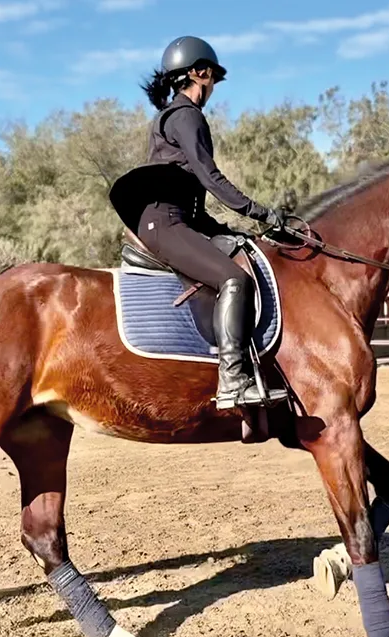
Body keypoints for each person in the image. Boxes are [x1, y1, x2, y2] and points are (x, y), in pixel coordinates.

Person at [110, 36, 289, 410]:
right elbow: (211, 178)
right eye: (212, 79)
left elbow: (191, 199)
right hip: (165, 223)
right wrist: (262, 213)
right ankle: (234, 381)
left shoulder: (169, 118)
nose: (213, 89)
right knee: (233, 279)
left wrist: (228, 231)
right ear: (200, 72)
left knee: (239, 253)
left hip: (175, 219)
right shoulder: (188, 116)